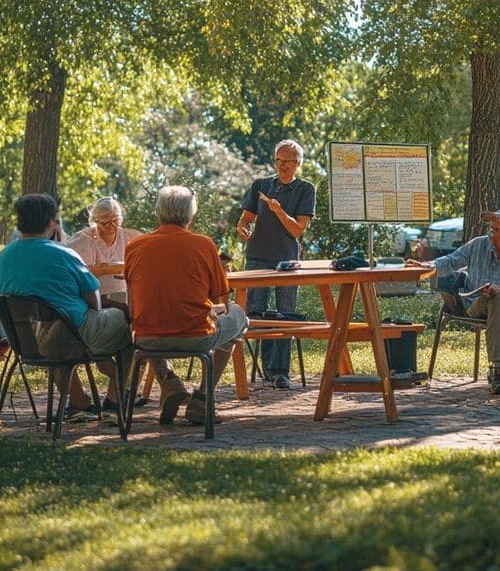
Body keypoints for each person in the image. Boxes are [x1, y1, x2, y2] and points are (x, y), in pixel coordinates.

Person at [0, 193, 137, 423]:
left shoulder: (4, 257)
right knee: (129, 326)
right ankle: (114, 399)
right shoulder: (64, 254)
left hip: (27, 341)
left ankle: (79, 403)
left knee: (53, 327)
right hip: (72, 337)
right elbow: (95, 302)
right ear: (52, 223)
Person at [126, 186, 248, 425]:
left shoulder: (135, 246)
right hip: (195, 336)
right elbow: (221, 299)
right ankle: (202, 398)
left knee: (154, 314)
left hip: (145, 338)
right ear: (191, 215)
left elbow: (134, 299)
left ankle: (168, 381)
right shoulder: (203, 244)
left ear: (158, 212)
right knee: (238, 315)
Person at [406, 209, 500, 395]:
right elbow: (452, 260)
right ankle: (499, 373)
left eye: (496, 229)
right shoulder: (478, 245)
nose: (491, 233)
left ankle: (499, 371)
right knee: (497, 299)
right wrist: (428, 266)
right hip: (475, 304)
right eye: (491, 228)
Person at [235, 139, 315, 389]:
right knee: (257, 314)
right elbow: (246, 218)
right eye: (278, 160)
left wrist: (279, 211)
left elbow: (298, 230)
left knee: (286, 315)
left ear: (297, 163)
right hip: (257, 257)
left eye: (287, 161)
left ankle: (280, 372)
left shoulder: (305, 189)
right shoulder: (261, 185)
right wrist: (242, 227)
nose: (281, 165)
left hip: (287, 261)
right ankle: (268, 368)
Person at [64, 196, 144, 297]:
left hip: (125, 296)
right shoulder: (84, 240)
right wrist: (109, 269)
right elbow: (76, 272)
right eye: (105, 223)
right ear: (96, 221)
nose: (112, 226)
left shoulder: (130, 236)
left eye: (115, 220)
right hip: (94, 298)